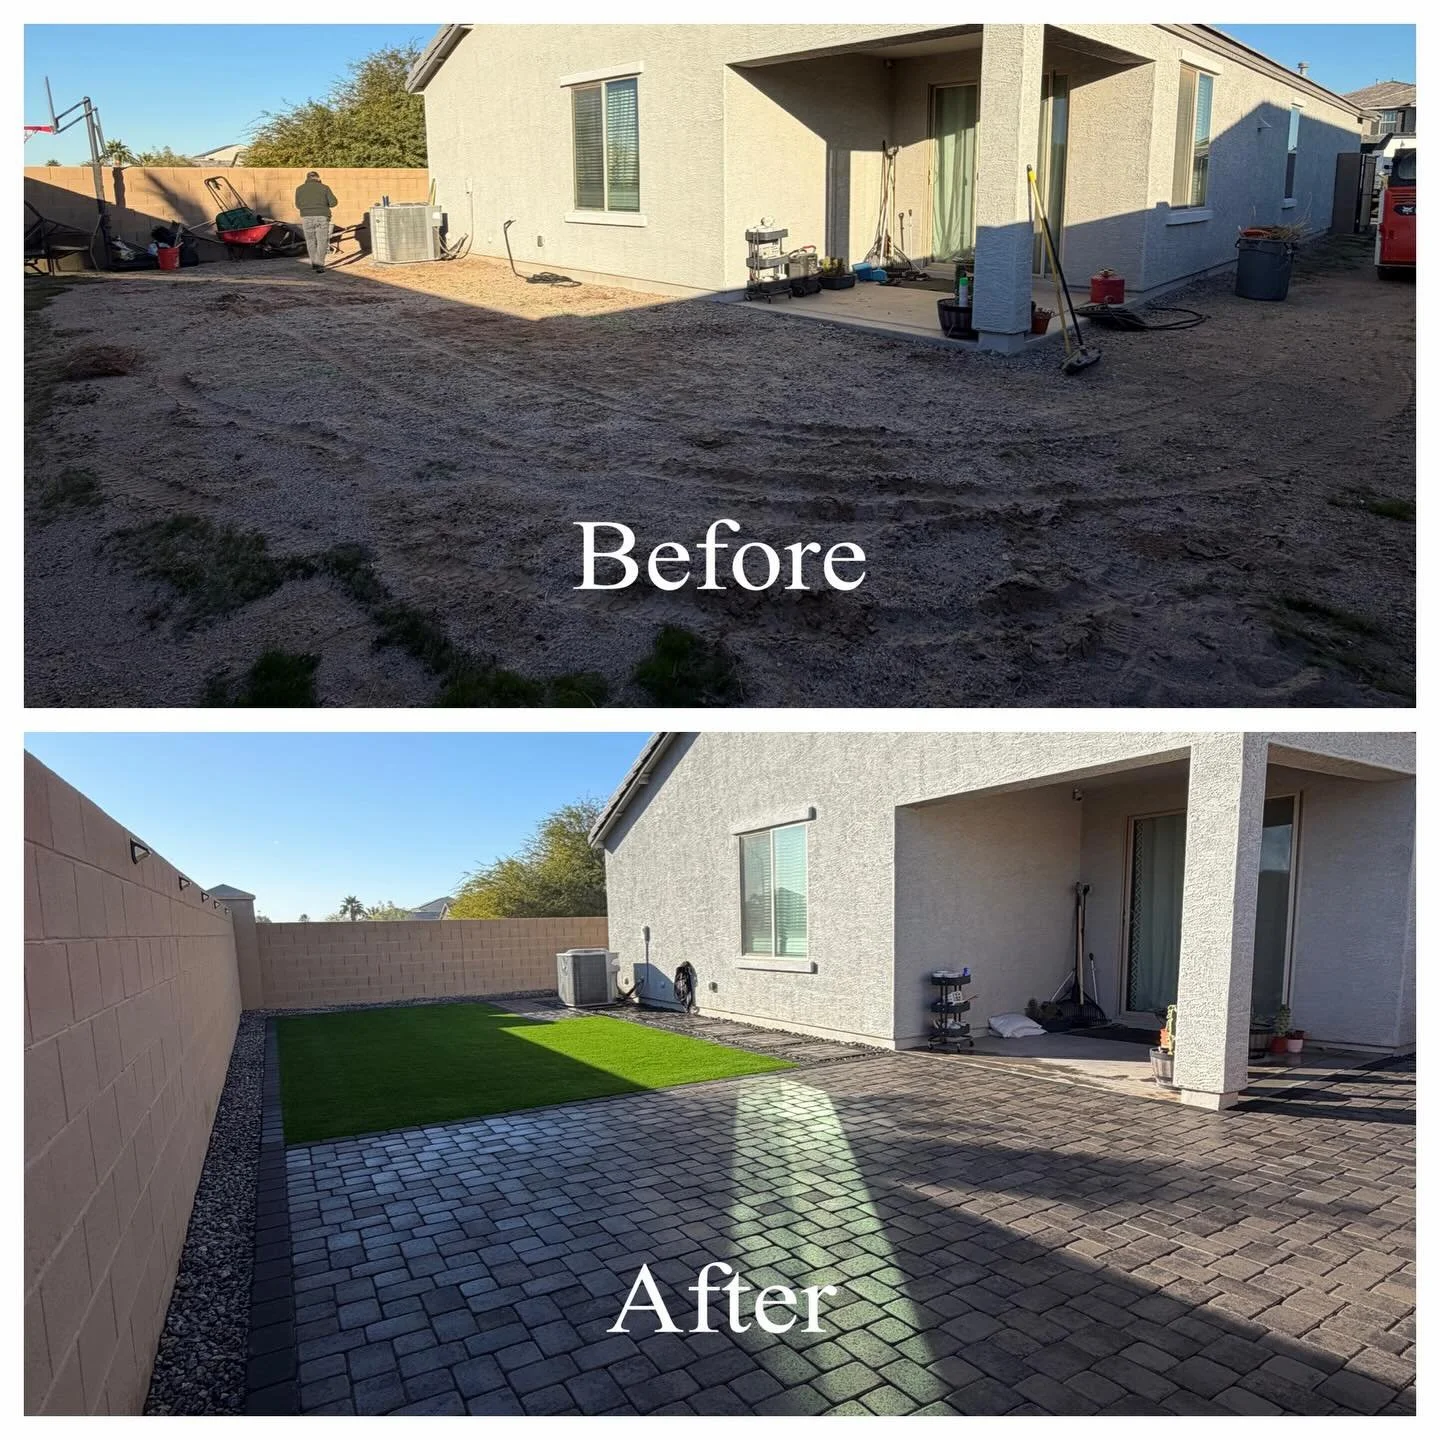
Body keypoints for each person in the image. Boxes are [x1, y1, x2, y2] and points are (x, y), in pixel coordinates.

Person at [294, 170, 339, 273]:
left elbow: (298, 205)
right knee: (322, 241)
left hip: (306, 218)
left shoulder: (299, 189)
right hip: (322, 217)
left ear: (307, 178)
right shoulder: (324, 188)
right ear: (318, 178)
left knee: (310, 241)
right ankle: (320, 265)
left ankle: (314, 263)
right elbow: (333, 203)